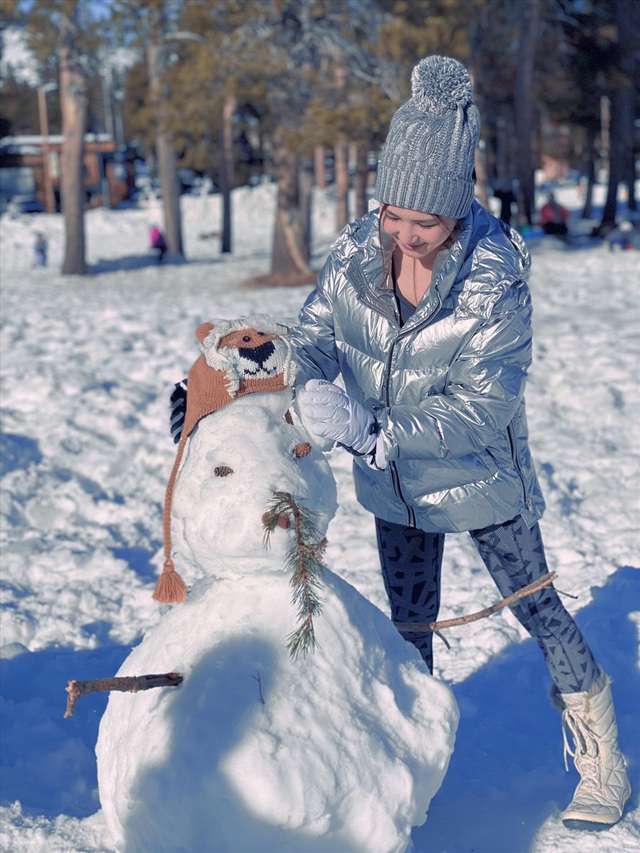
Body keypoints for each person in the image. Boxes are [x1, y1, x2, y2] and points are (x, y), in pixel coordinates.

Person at [291, 55, 630, 830]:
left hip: (481, 482)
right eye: (392, 215)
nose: (405, 237)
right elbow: (312, 338)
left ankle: (603, 755)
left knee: (538, 610)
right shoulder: (356, 251)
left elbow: (483, 407)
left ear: (456, 208)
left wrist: (376, 430)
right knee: (411, 627)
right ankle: (414, 765)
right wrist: (277, 382)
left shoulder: (494, 278)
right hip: (396, 487)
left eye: (425, 223)